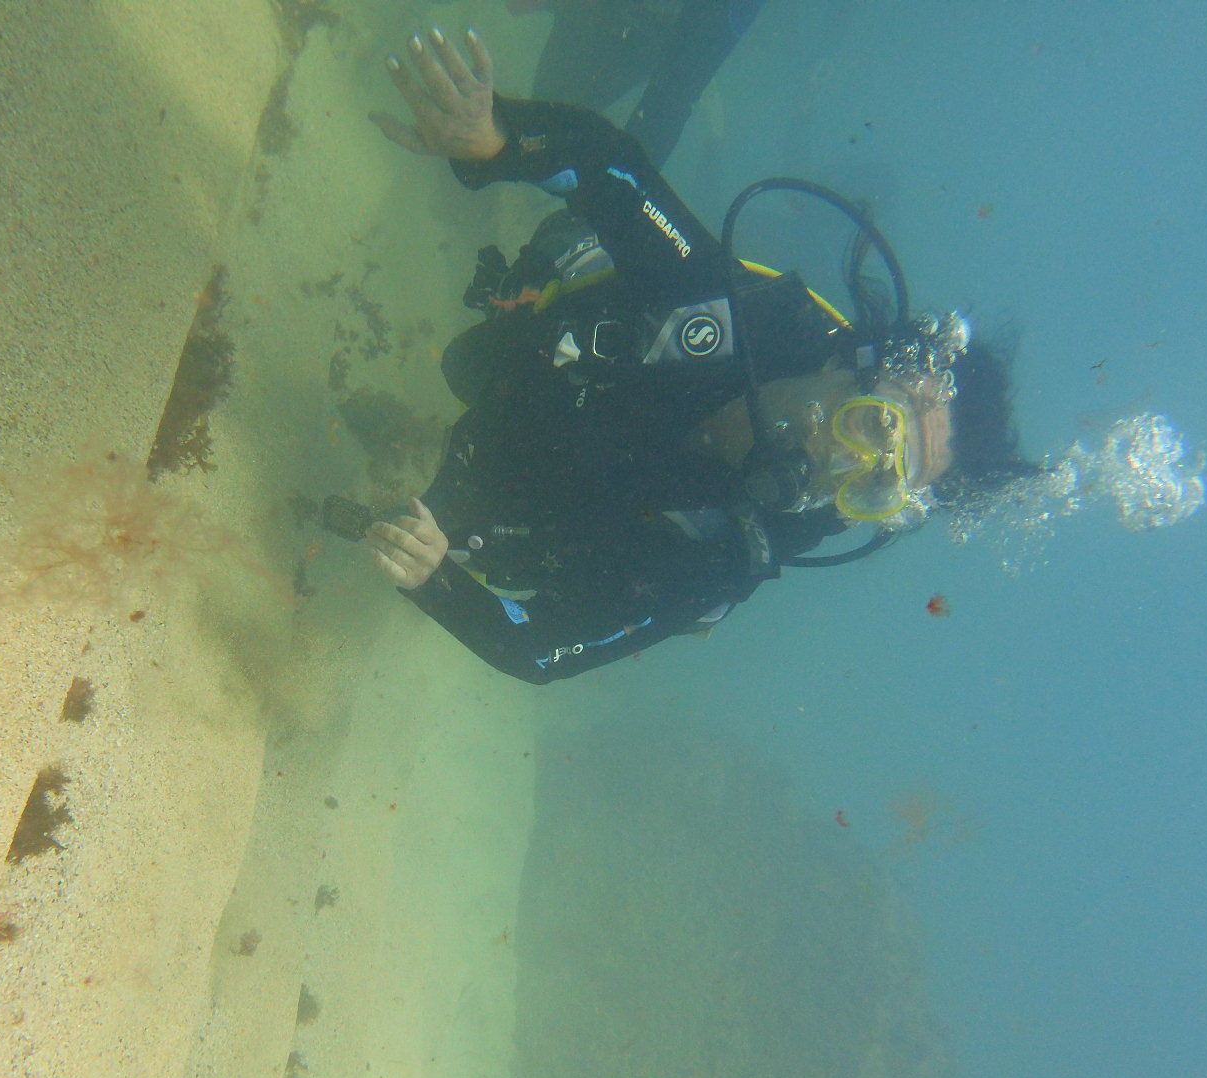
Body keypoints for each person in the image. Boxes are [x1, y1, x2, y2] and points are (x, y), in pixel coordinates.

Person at [357, 28, 1030, 684]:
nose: (844, 464)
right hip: (548, 350)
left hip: (543, 477)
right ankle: (580, 236)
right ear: (848, 364)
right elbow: (610, 168)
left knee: (451, 514)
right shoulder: (732, 314)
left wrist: (435, 578)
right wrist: (500, 141)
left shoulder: (728, 557)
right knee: (469, 359)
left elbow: (539, 650)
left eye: (879, 485)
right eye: (876, 424)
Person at [507, 0, 768, 165]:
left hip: (661, 30)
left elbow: (670, 101)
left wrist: (618, 201)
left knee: (549, 125)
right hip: (615, 15)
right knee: (543, 121)